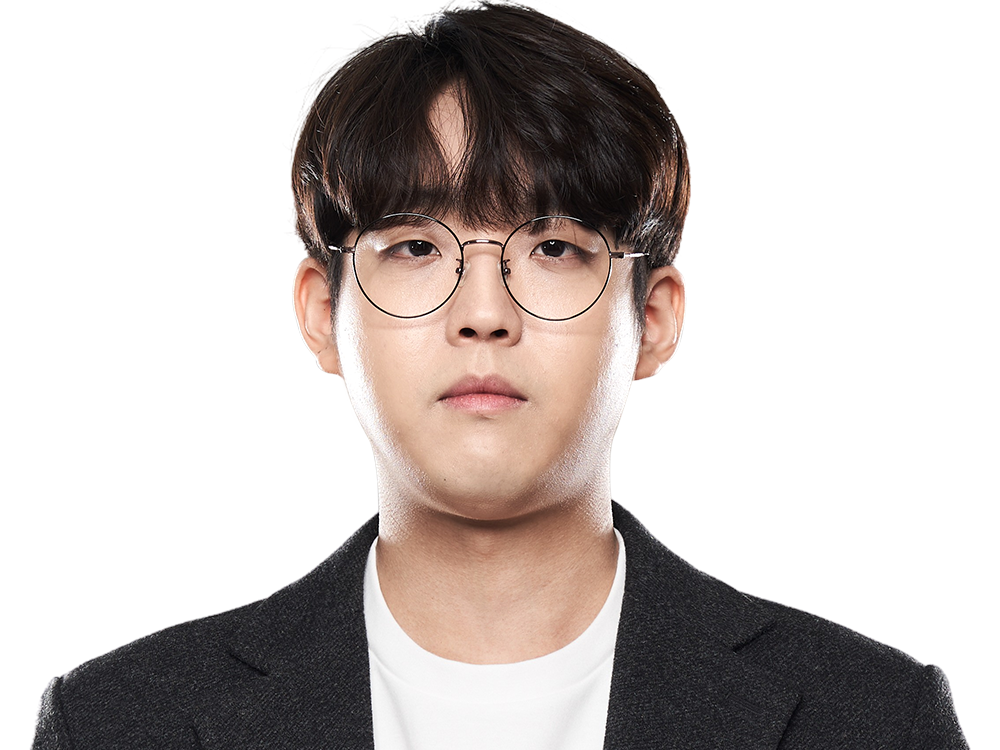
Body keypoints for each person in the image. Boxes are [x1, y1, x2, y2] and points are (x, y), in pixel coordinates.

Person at [33, 1, 966, 748]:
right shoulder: (123, 725)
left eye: (553, 246)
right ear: (322, 315)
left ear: (652, 320)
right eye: (415, 246)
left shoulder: (870, 720)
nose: (483, 312)